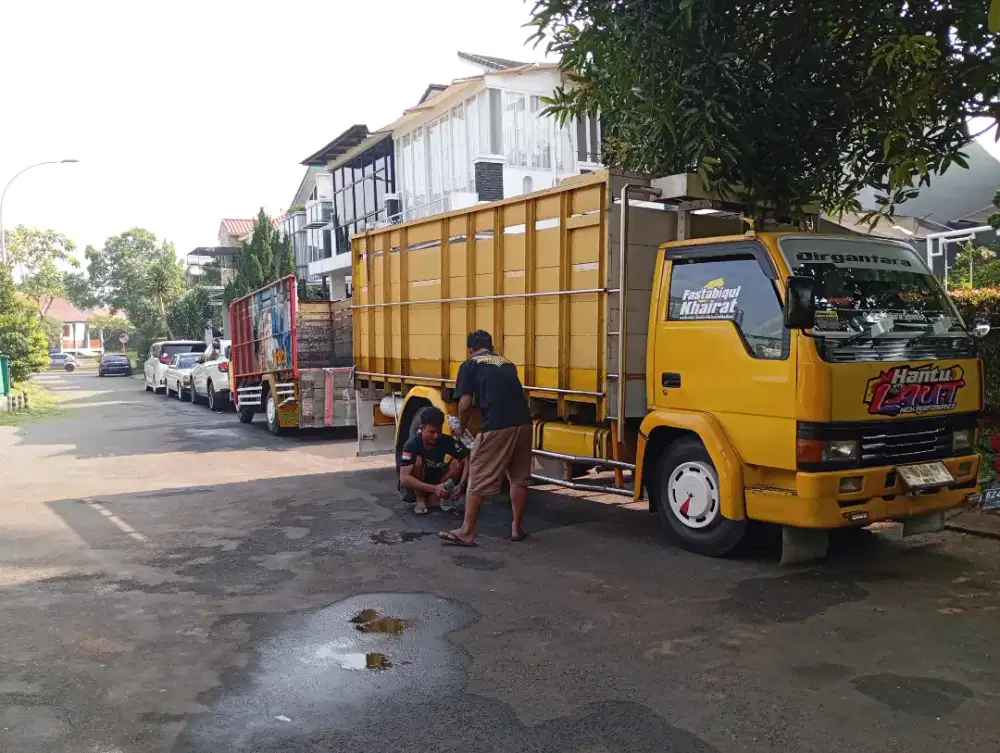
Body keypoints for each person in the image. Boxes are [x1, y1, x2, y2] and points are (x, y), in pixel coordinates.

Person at [440, 330, 532, 546]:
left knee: (478, 476)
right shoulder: (507, 363)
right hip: (525, 423)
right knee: (519, 478)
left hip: (497, 425)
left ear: (470, 349)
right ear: (491, 346)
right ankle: (517, 528)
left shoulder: (469, 365)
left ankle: (467, 531)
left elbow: (464, 403)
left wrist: (461, 428)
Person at [398, 406, 469, 515]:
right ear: (422, 428)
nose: (436, 436)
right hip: (417, 483)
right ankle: (420, 500)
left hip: (437, 478)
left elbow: (466, 459)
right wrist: (434, 488)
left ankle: (435, 498)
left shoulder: (444, 440)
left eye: (439, 431)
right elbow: (404, 478)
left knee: (457, 463)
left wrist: (462, 485)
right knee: (418, 461)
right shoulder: (411, 445)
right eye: (431, 432)